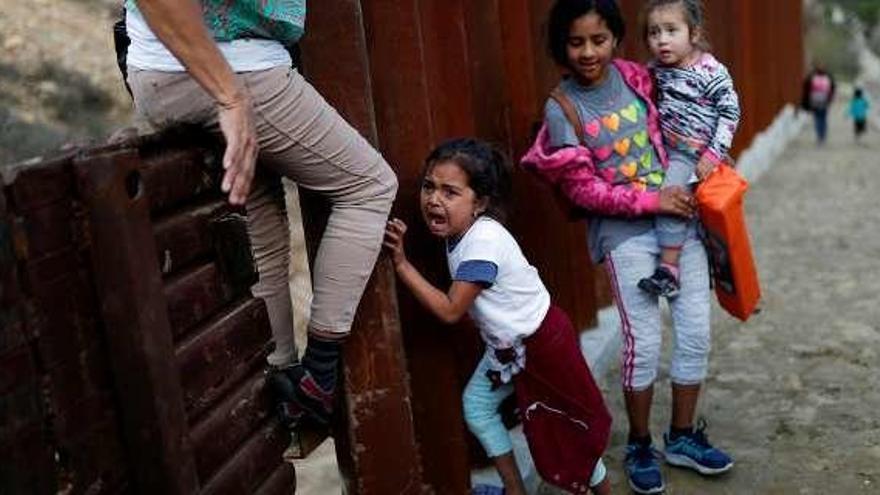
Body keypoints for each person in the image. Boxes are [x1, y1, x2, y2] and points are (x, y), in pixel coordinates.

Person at [127, 0, 398, 426]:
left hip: (181, 68)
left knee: (258, 207)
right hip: (229, 70)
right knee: (369, 186)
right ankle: (320, 373)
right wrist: (230, 97)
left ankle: (282, 378)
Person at [522, 1, 733, 493]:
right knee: (643, 344)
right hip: (624, 234)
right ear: (561, 45)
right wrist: (650, 199)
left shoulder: (639, 77)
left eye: (599, 40)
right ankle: (639, 442)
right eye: (576, 42)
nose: (589, 52)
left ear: (617, 39)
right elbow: (582, 190)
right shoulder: (562, 107)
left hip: (679, 220)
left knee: (696, 332)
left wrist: (708, 153)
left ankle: (681, 436)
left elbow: (698, 98)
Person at [384, 139, 612, 495]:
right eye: (429, 186)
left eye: (450, 192)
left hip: (542, 346)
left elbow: (450, 310)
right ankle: (515, 491)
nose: (434, 199)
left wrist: (401, 264)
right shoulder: (460, 233)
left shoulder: (482, 245)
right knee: (477, 408)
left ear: (481, 204)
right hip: (509, 348)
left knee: (570, 427)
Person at [636, 0, 741, 300]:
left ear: (693, 34)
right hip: (666, 149)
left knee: (673, 198)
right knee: (694, 214)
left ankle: (669, 270)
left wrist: (713, 154)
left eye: (671, 30)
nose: (662, 40)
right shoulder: (655, 70)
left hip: (694, 153)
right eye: (654, 33)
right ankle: (704, 263)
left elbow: (731, 112)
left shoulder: (710, 71)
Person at [801, 64, 836, 145]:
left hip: (814, 101)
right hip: (825, 102)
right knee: (823, 119)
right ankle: (822, 135)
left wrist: (806, 101)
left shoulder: (811, 77)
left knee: (817, 119)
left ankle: (819, 136)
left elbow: (805, 88)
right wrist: (830, 99)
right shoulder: (828, 77)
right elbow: (833, 88)